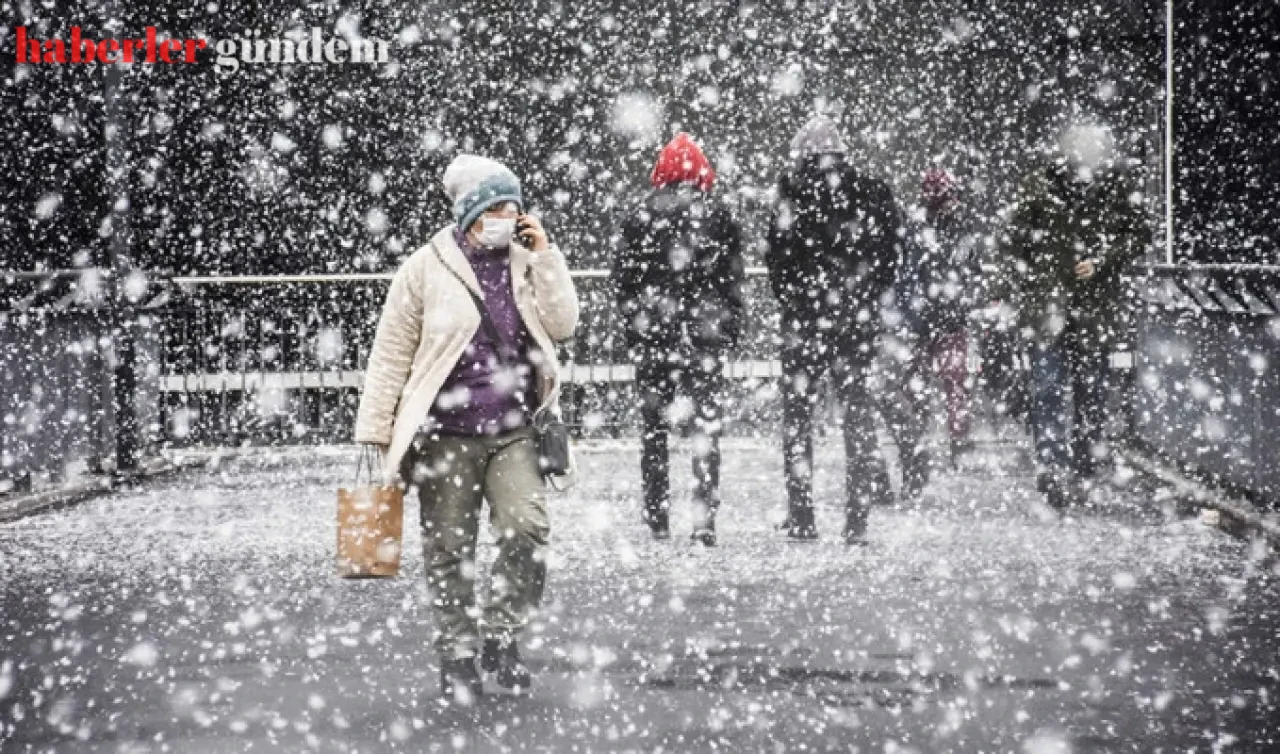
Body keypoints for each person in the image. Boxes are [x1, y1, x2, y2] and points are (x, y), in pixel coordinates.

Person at [354, 154, 579, 701]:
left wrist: (546, 256)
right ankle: (457, 655)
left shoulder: (527, 261)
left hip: (514, 429)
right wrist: (376, 432)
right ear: (471, 211)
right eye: (497, 208)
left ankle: (502, 636)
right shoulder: (424, 268)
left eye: (514, 209)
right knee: (450, 548)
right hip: (445, 434)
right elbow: (390, 354)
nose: (506, 217)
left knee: (527, 529)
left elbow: (564, 323)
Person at [766, 116, 901, 544]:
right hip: (856, 323)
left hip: (805, 324)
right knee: (857, 417)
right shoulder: (873, 192)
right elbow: (890, 256)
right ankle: (856, 520)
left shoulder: (791, 194)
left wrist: (798, 300)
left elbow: (778, 263)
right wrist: (863, 298)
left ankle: (802, 514)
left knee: (798, 420)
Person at [999, 124, 1149, 509]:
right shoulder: (1039, 186)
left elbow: (1140, 233)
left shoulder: (1115, 187)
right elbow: (1010, 239)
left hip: (1092, 310)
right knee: (1050, 389)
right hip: (1050, 308)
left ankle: (1080, 467)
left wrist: (1102, 259)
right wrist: (1039, 273)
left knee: (1090, 393)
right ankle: (1054, 467)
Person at [616, 132, 746, 546]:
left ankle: (658, 517)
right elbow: (732, 278)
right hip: (702, 338)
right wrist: (728, 325)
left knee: (653, 430)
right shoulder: (719, 215)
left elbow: (625, 281)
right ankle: (703, 520)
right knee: (705, 430)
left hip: (655, 334)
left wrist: (636, 325)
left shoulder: (640, 215)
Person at [883, 167, 981, 497]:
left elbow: (912, 273)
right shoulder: (933, 227)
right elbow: (968, 268)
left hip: (935, 319)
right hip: (935, 319)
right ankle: (940, 443)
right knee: (943, 383)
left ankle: (931, 445)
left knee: (938, 384)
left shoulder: (923, 226)